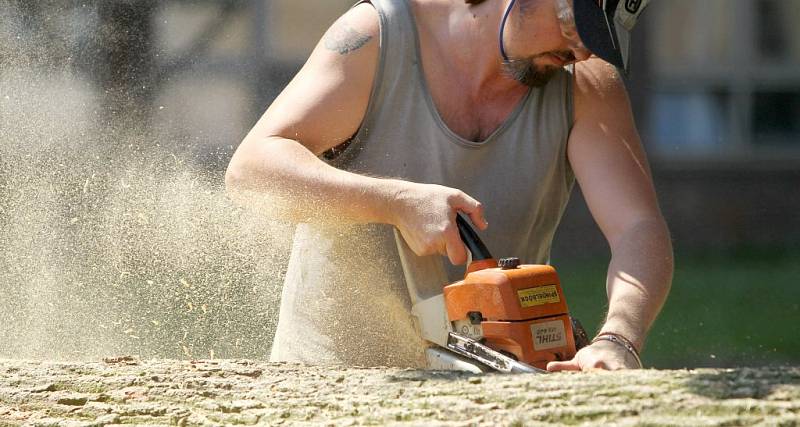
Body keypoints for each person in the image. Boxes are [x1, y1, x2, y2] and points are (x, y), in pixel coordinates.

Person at [226, 0, 673, 371]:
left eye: (599, 37)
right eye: (577, 25)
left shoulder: (586, 84)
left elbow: (638, 227)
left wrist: (620, 339)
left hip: (491, 401)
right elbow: (252, 170)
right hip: (325, 389)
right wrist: (394, 202)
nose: (581, 51)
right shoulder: (379, 37)